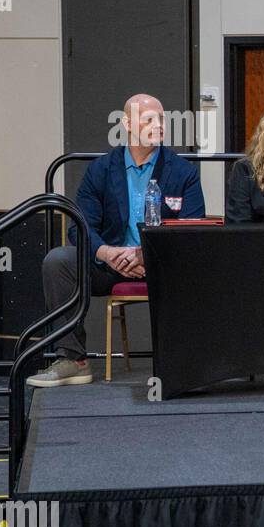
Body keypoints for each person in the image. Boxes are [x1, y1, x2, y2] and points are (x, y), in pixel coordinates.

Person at [27, 93, 205, 387]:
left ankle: (190, 360)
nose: (158, 125)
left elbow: (192, 230)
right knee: (59, 261)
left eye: (162, 119)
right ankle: (73, 359)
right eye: (149, 119)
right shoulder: (100, 170)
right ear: (128, 124)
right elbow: (80, 226)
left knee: (201, 264)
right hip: (109, 264)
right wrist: (107, 253)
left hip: (163, 264)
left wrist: (147, 255)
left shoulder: (183, 171)